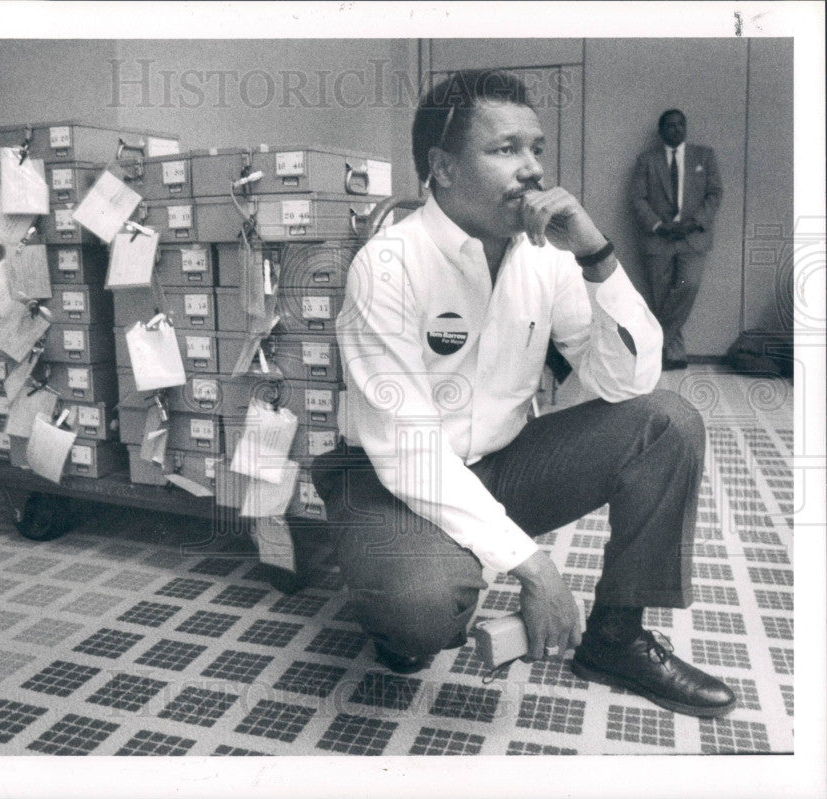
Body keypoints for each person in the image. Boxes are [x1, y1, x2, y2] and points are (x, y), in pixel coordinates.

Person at [310, 70, 736, 718]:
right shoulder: (387, 265)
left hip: (500, 461)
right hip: (387, 474)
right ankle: (402, 599)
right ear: (443, 168)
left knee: (667, 423)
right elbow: (408, 450)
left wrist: (597, 257)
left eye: (535, 148)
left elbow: (630, 379)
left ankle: (617, 638)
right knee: (423, 610)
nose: (533, 169)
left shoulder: (548, 254)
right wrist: (531, 565)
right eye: (506, 149)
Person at [630, 109, 723, 369]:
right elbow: (637, 199)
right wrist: (659, 226)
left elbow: (715, 194)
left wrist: (695, 223)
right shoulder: (646, 161)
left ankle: (653, 345)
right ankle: (674, 353)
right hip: (658, 239)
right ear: (661, 132)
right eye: (670, 126)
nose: (676, 130)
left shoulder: (704, 156)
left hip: (692, 238)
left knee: (687, 285)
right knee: (661, 296)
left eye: (681, 125)